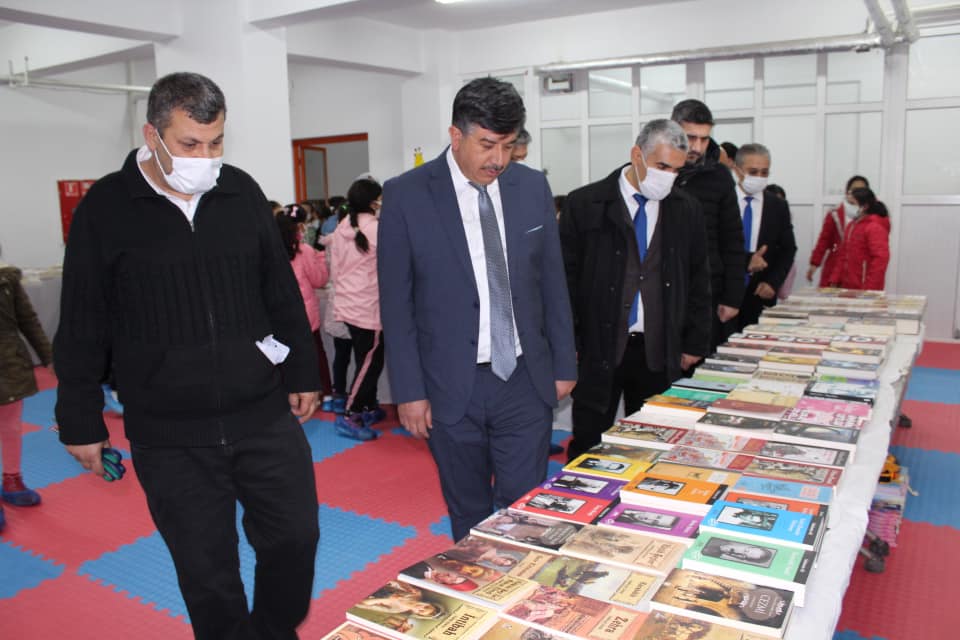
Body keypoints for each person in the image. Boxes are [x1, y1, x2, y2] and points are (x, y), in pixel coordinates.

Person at [53, 72, 321, 639]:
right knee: (207, 573)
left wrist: (302, 368)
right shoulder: (106, 206)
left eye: (216, 141)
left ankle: (273, 632)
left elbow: (279, 289)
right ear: (152, 133)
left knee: (296, 539)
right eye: (190, 144)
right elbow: (81, 320)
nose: (206, 156)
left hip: (261, 413)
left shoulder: (240, 191)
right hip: (169, 433)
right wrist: (78, 418)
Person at [378, 77, 577, 541]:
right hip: (450, 384)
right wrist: (409, 390)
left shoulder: (531, 189)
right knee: (467, 509)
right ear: (456, 135)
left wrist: (564, 361)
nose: (499, 160)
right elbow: (397, 302)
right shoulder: (407, 195)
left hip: (525, 379)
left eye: (508, 146)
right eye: (487, 145)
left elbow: (552, 281)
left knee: (526, 508)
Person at [559, 119, 711, 460]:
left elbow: (700, 277)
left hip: (658, 346)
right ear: (637, 155)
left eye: (676, 170)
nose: (668, 177)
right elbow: (565, 281)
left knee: (653, 445)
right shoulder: (586, 204)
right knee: (589, 442)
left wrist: (694, 340)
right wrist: (569, 345)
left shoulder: (686, 209)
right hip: (598, 347)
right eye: (661, 166)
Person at [671, 100, 746, 350]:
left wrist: (733, 297)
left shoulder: (719, 176)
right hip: (664, 289)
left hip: (709, 291)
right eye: (690, 137)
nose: (697, 147)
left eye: (704, 139)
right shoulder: (656, 172)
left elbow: (733, 239)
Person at [330, 178, 386, 440]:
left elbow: (337, 266)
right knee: (369, 362)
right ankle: (350, 414)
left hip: (351, 302)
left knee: (368, 358)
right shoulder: (374, 228)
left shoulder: (343, 226)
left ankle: (367, 406)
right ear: (374, 201)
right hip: (367, 305)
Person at [0, 261, 53, 532]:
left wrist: (49, 357)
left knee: (10, 426)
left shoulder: (7, 280)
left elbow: (28, 320)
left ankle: (12, 478)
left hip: (9, 368)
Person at [732, 143, 797, 330]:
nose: (759, 178)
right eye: (753, 171)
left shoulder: (777, 206)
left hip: (759, 294)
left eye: (764, 172)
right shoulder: (722, 201)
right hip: (723, 293)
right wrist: (746, 261)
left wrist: (773, 282)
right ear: (737, 170)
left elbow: (788, 249)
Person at [277, 204, 333, 400]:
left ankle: (288, 394)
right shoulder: (303, 250)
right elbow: (319, 279)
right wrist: (320, 260)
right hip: (305, 314)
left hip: (279, 315)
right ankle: (324, 394)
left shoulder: (269, 252)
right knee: (316, 354)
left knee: (284, 357)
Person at [808, 175, 870, 287]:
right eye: (854, 190)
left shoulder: (873, 215)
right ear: (847, 192)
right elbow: (824, 240)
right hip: (835, 268)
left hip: (861, 270)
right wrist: (814, 263)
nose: (858, 194)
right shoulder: (835, 213)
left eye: (862, 191)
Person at [828, 187, 891, 290]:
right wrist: (835, 279)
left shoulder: (874, 227)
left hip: (866, 289)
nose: (847, 207)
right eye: (847, 203)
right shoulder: (851, 226)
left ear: (864, 206)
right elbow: (842, 255)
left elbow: (881, 259)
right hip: (847, 287)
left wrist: (870, 288)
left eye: (852, 204)